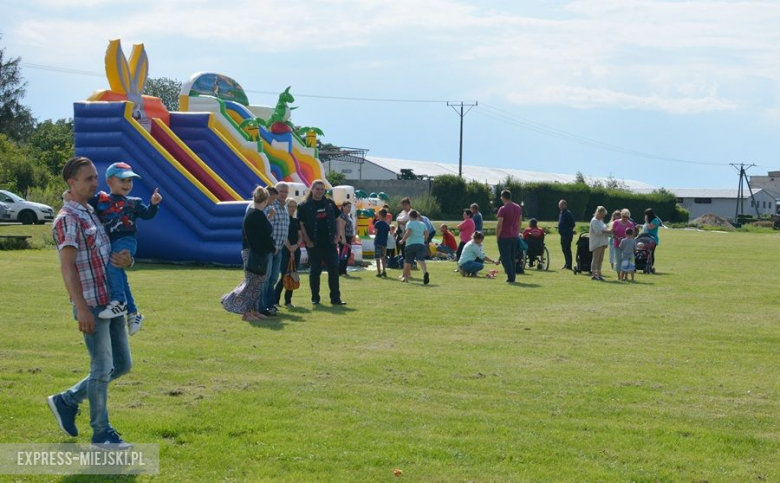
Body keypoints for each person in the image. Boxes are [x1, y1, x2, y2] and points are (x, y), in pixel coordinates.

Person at [48, 156, 136, 450]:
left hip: (109, 302)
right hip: (91, 305)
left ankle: (67, 399)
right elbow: (67, 267)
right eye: (88, 179)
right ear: (71, 183)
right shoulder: (67, 219)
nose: (95, 183)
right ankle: (101, 433)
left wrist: (127, 259)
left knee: (122, 364)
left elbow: (112, 252)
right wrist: (82, 308)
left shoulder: (92, 211)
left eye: (95, 178)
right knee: (101, 368)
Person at [86, 162, 162, 336]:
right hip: (108, 242)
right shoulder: (100, 200)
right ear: (109, 181)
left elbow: (147, 215)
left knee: (113, 266)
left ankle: (119, 301)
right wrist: (68, 195)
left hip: (126, 240)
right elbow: (81, 200)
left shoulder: (134, 203)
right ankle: (134, 314)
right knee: (119, 274)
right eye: (123, 180)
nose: (127, 184)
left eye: (130, 181)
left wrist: (153, 204)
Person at [222, 186, 275, 320]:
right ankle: (239, 306)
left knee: (257, 284)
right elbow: (263, 236)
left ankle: (254, 311)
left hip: (254, 252)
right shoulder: (256, 215)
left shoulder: (253, 213)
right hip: (254, 253)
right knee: (252, 284)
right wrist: (272, 248)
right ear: (265, 200)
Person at [297, 180, 346, 305]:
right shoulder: (304, 205)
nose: (320, 191)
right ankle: (315, 298)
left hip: (330, 243)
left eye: (322, 189)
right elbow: (301, 224)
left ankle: (335, 299)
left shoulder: (329, 203)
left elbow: (338, 219)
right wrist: (307, 241)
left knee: (334, 270)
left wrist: (337, 237)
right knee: (315, 271)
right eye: (317, 189)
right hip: (314, 244)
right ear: (312, 189)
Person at [263, 183, 290, 314]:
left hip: (279, 248)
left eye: (286, 192)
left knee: (273, 278)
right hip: (269, 247)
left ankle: (270, 304)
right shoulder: (269, 206)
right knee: (266, 278)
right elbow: (263, 226)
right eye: (281, 192)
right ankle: (263, 306)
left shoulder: (285, 208)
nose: (284, 194)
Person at [274, 198, 302, 307]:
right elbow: (283, 234)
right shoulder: (283, 219)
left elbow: (300, 236)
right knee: (284, 275)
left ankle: (288, 300)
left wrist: (296, 246)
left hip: (296, 249)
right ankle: (275, 300)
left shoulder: (296, 221)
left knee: (293, 275)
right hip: (285, 249)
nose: (293, 208)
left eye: (295, 206)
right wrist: (290, 248)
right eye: (291, 206)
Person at [496, 190, 522, 283]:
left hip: (504, 236)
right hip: (514, 235)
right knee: (511, 257)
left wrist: (497, 236)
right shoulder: (518, 207)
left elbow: (500, 225)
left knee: (505, 257)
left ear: (503, 197)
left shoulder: (503, 209)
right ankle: (513, 276)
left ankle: (510, 277)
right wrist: (517, 232)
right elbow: (519, 222)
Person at [399, 210, 430, 284]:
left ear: (410, 216)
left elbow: (408, 232)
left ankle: (406, 278)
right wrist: (423, 238)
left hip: (410, 244)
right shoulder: (422, 224)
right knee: (421, 260)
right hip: (420, 244)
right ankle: (425, 272)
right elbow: (427, 234)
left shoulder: (409, 223)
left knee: (408, 262)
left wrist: (402, 240)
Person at [589, 206, 612, 280]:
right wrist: (607, 231)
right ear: (599, 213)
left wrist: (608, 230)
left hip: (602, 242)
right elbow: (597, 232)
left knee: (600, 259)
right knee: (596, 258)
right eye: (603, 214)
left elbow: (604, 228)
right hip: (596, 242)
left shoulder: (600, 220)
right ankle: (593, 274)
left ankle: (599, 273)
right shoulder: (594, 221)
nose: (604, 216)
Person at [611, 209, 635, 274]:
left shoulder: (630, 224)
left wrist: (627, 239)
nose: (625, 218)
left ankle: (625, 275)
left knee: (625, 261)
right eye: (623, 216)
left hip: (626, 246)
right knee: (618, 260)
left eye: (626, 217)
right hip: (617, 244)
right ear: (621, 215)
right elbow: (612, 232)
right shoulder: (616, 222)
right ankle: (619, 276)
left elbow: (633, 235)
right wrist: (617, 237)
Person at [337, 201, 354, 275]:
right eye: (347, 207)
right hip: (345, 237)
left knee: (348, 254)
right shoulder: (343, 215)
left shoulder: (348, 216)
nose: (349, 208)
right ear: (343, 207)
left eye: (350, 207)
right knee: (343, 254)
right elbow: (341, 228)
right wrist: (343, 238)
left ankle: (344, 270)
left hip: (349, 237)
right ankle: (341, 271)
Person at [557, 200, 575, 270]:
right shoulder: (561, 213)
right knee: (564, 249)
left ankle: (569, 265)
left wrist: (568, 229)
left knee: (567, 249)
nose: (560, 206)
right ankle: (566, 263)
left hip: (567, 234)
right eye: (560, 205)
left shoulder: (568, 213)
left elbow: (572, 223)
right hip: (562, 234)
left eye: (562, 205)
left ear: (565, 205)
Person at [373, 208, 391, 277]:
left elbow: (376, 233)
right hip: (384, 243)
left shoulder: (377, 223)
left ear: (380, 215)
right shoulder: (387, 225)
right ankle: (384, 271)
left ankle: (379, 272)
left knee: (377, 258)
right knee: (383, 257)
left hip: (378, 242)